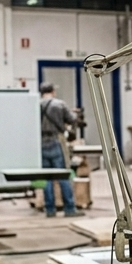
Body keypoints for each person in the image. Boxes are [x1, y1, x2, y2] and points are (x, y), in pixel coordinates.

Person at [38, 82, 82, 218]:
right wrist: (73, 113)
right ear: (53, 91)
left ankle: (50, 210)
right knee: (63, 175)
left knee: (46, 178)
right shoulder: (59, 104)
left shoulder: (36, 104)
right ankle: (69, 208)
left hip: (40, 143)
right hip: (56, 141)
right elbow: (72, 119)